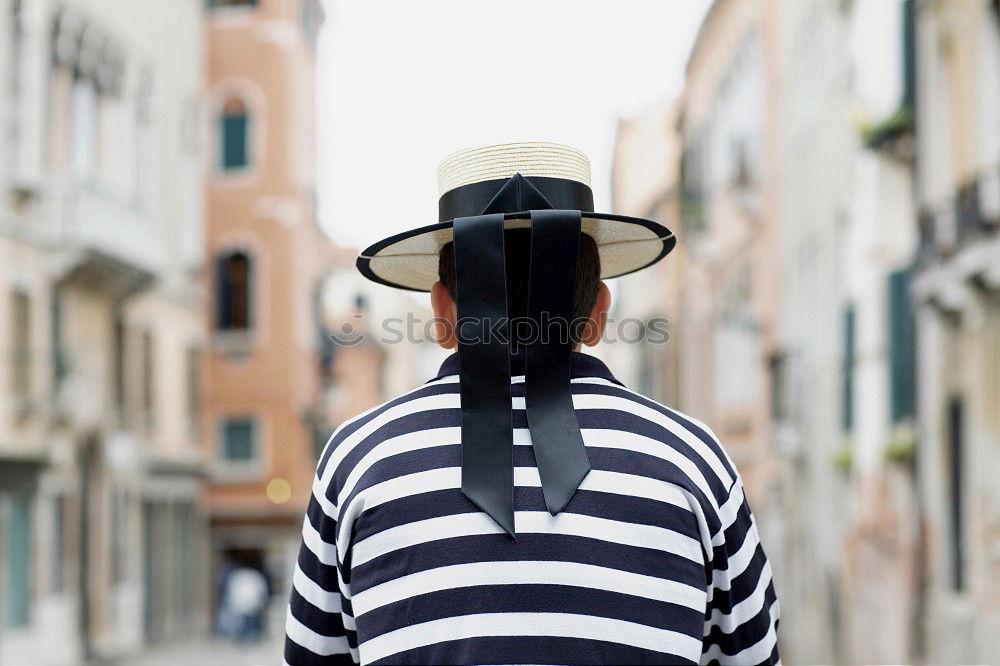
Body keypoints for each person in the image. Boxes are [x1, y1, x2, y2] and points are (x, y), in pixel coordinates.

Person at [284, 142, 780, 665]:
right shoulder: (694, 462)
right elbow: (754, 656)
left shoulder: (356, 463)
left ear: (440, 312)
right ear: (599, 312)